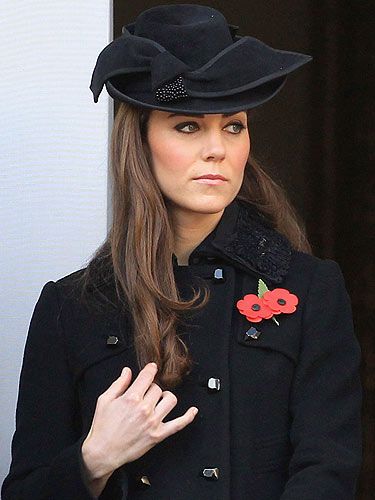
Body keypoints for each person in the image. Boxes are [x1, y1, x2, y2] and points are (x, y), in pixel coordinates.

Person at [2, 4, 362, 500]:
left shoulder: (310, 289)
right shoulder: (71, 308)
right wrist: (95, 459)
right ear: (141, 140)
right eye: (188, 126)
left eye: (233, 125)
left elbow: (328, 472)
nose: (217, 149)